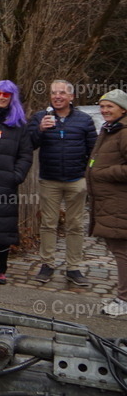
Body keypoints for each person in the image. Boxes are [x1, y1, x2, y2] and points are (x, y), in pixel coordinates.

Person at [28, 79, 97, 286]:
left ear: (71, 97)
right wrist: (39, 129)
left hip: (77, 181)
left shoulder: (84, 120)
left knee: (75, 225)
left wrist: (88, 176)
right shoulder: (41, 117)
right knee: (48, 224)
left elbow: (94, 151)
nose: (57, 96)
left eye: (62, 93)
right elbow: (29, 144)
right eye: (53, 93)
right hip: (49, 180)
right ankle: (47, 264)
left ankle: (73, 268)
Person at [0, 80, 34, 284]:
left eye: (6, 94)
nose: (1, 97)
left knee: (3, 227)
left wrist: (16, 176)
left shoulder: (19, 126)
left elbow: (26, 155)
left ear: (12, 98)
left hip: (5, 184)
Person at [86, 89, 127, 317]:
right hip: (110, 202)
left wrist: (105, 172)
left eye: (109, 106)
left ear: (123, 109)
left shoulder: (124, 132)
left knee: (122, 251)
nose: (104, 110)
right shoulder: (111, 129)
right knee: (119, 249)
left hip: (120, 203)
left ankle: (124, 299)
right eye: (102, 106)